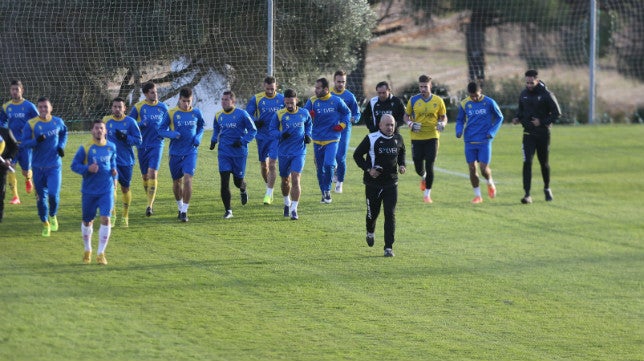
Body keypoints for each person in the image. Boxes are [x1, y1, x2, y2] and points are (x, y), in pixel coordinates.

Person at [353, 114, 406, 257]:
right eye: (387, 125)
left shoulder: (398, 139)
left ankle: (388, 247)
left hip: (391, 183)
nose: (390, 128)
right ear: (380, 125)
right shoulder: (371, 138)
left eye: (392, 125)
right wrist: (369, 169)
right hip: (373, 184)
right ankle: (370, 231)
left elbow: (401, 152)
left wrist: (402, 165)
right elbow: (357, 155)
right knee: (372, 215)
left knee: (390, 214)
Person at [70, 120, 117, 265]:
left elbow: (113, 164)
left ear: (105, 131)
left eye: (101, 128)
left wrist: (115, 175)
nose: (99, 131)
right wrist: (87, 169)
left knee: (106, 219)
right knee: (87, 221)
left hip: (106, 190)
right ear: (92, 131)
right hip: (89, 191)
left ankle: (101, 253)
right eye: (96, 128)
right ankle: (87, 249)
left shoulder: (111, 147)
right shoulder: (86, 148)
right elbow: (74, 165)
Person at [512, 69, 561, 204]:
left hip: (543, 135)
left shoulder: (547, 95)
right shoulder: (523, 94)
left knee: (543, 163)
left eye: (531, 83)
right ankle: (527, 195)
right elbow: (521, 111)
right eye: (527, 83)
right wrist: (517, 118)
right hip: (528, 134)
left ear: (537, 81)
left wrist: (542, 122)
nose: (529, 85)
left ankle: (547, 188)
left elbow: (557, 113)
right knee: (527, 162)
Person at [20, 97, 68, 237]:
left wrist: (61, 146)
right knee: (41, 198)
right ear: (37, 109)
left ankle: (53, 215)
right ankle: (45, 223)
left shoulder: (57, 122)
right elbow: (24, 144)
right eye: (40, 107)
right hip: (37, 167)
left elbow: (64, 133)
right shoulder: (31, 124)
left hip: (54, 166)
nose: (43, 109)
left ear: (51, 108)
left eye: (45, 107)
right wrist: (36, 141)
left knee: (53, 195)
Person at [159, 87, 204, 222]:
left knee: (188, 179)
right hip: (175, 153)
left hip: (190, 152)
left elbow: (201, 126)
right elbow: (160, 130)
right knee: (176, 182)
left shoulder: (196, 112)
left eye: (189, 101)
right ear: (179, 99)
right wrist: (171, 134)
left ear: (192, 100)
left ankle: (184, 211)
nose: (186, 104)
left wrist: (198, 138)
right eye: (184, 101)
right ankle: (180, 207)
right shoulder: (171, 113)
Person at [210, 91, 257, 219]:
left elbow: (253, 130)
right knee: (224, 182)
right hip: (224, 153)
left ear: (233, 101)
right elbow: (216, 128)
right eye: (222, 99)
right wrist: (214, 140)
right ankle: (228, 210)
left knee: (238, 181)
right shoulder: (218, 115)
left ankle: (243, 189)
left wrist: (242, 141)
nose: (224, 102)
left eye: (226, 99)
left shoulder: (242, 114)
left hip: (239, 153)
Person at [303, 77, 350, 204]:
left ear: (326, 89)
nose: (316, 90)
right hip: (317, 139)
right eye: (315, 88)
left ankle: (328, 191)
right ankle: (323, 192)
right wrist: (308, 116)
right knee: (320, 169)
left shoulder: (336, 101)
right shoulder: (312, 101)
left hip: (332, 139)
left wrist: (342, 125)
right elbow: (302, 116)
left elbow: (347, 113)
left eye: (318, 88)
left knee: (329, 164)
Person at [455, 82, 504, 203]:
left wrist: (492, 132)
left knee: (483, 168)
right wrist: (459, 130)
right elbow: (460, 120)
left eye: (476, 95)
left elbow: (499, 117)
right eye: (472, 96)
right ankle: (478, 196)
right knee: (472, 168)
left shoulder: (489, 102)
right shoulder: (464, 103)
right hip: (469, 140)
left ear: (480, 91)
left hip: (484, 140)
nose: (475, 98)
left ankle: (490, 182)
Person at [268, 89, 312, 220]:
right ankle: (286, 202)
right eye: (287, 103)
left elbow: (309, 125)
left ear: (296, 100)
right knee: (285, 181)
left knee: (296, 177)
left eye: (291, 103)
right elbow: (272, 130)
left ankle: (294, 208)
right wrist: (281, 134)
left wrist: (308, 135)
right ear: (284, 102)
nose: (289, 105)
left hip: (299, 151)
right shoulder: (279, 114)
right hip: (284, 152)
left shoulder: (304, 113)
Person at [404, 74, 447, 203]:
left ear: (430, 86)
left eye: (425, 87)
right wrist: (410, 124)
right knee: (418, 165)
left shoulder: (438, 101)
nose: (423, 89)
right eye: (421, 87)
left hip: (432, 136)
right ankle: (423, 177)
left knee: (430, 164)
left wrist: (442, 123)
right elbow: (406, 116)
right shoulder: (413, 100)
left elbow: (443, 116)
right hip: (416, 137)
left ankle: (427, 195)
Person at [128, 81, 169, 217]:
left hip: (157, 144)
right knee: (145, 176)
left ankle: (149, 205)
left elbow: (169, 125)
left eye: (156, 91)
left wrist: (168, 133)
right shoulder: (138, 107)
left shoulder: (163, 108)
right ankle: (149, 199)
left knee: (152, 173)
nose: (155, 94)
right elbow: (129, 125)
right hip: (142, 146)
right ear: (146, 94)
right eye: (152, 92)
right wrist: (141, 124)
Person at [103, 97, 142, 227]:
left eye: (120, 107)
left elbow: (138, 140)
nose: (117, 109)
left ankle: (125, 215)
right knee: (111, 188)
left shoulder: (130, 122)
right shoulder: (106, 121)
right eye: (115, 106)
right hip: (110, 162)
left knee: (125, 188)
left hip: (126, 161)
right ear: (111, 108)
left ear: (125, 108)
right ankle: (112, 214)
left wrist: (126, 137)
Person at [245, 76, 284, 205]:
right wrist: (256, 121)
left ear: (276, 87)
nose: (270, 91)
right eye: (267, 89)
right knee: (264, 165)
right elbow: (248, 114)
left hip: (275, 136)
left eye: (272, 89)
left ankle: (268, 193)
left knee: (272, 164)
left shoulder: (282, 99)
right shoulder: (257, 99)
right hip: (262, 136)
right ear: (264, 87)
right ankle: (269, 186)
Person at [0, 80, 39, 205]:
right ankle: (15, 196)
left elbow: (38, 121)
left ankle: (28, 179)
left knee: (25, 170)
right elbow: (1, 121)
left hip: (25, 144)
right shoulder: (6, 106)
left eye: (17, 89)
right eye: (12, 89)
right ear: (10, 90)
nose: (14, 92)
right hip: (12, 144)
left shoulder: (29, 106)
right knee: (10, 167)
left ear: (22, 90)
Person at [330, 70, 360, 193]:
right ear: (334, 81)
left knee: (340, 156)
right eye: (339, 81)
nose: (341, 84)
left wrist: (355, 118)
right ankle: (334, 172)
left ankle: (340, 182)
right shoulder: (329, 95)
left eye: (343, 82)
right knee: (330, 156)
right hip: (330, 130)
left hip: (344, 130)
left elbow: (357, 112)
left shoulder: (349, 96)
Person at [0, 127, 19, 222]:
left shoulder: (6, 132)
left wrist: (9, 159)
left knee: (0, 192)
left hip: (1, 167)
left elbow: (15, 147)